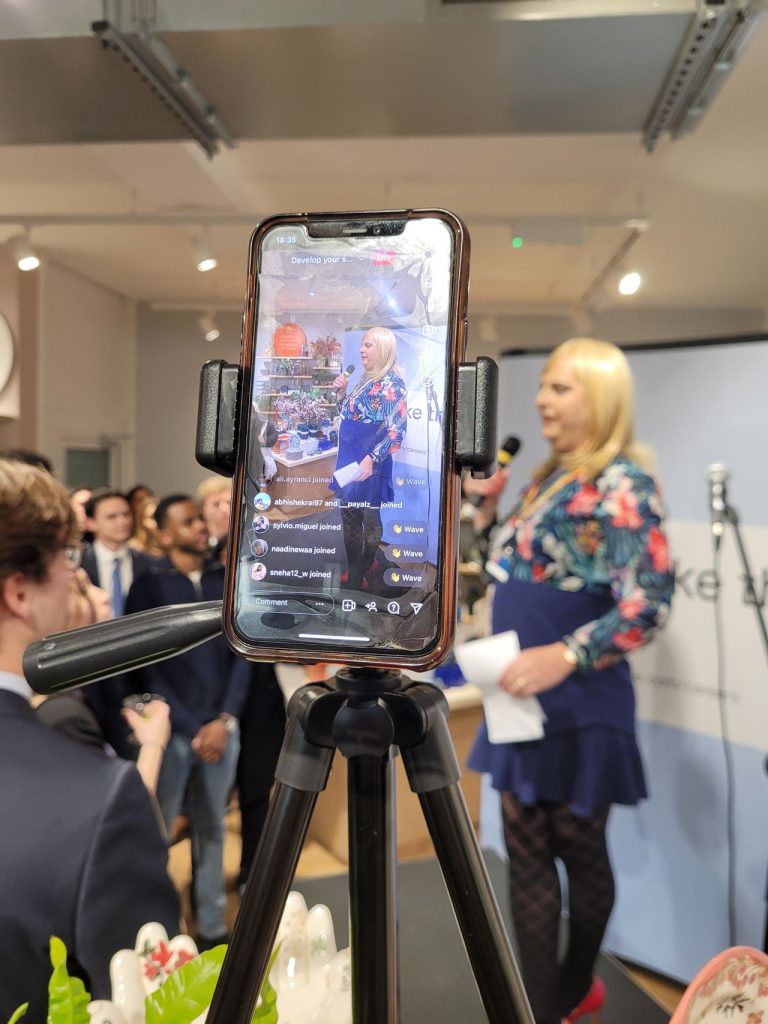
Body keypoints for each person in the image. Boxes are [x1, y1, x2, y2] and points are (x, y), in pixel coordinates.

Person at [467, 338, 674, 1024]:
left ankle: (573, 987)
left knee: (579, 852)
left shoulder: (623, 485)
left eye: (559, 388)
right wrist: (489, 513)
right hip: (518, 693)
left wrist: (569, 654)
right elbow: (507, 566)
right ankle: (534, 1008)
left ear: (600, 396)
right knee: (525, 853)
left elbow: (647, 604)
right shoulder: (544, 476)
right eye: (544, 388)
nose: (540, 399)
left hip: (580, 697)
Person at [0, 459, 179, 1019]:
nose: (79, 579)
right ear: (21, 593)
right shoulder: (98, 802)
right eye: (66, 560)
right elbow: (150, 1007)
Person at [124, 494, 250, 949]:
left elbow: (243, 653)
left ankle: (213, 925)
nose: (201, 526)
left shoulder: (226, 578)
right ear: (162, 532)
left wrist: (223, 719)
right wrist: (193, 723)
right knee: (158, 831)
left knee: (213, 826)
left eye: (201, 518)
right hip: (172, 734)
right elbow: (146, 664)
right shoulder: (149, 585)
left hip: (221, 729)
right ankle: (160, 932)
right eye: (188, 521)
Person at [331, 327, 407, 589]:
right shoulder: (365, 378)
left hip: (370, 459)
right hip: (350, 458)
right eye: (362, 345)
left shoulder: (392, 383)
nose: (362, 350)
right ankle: (358, 567)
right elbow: (349, 416)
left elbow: (397, 431)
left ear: (384, 349)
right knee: (349, 516)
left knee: (369, 517)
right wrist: (342, 395)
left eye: (368, 345)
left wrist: (372, 459)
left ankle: (361, 569)